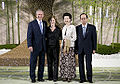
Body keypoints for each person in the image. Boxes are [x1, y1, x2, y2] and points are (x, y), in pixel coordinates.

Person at [75, 13, 97, 83]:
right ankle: (82, 78)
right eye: (82, 18)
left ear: (87, 19)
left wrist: (94, 48)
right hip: (80, 49)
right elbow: (76, 39)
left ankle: (89, 78)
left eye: (84, 18)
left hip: (89, 48)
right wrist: (76, 49)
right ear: (80, 20)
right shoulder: (77, 28)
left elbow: (94, 38)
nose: (83, 20)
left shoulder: (92, 27)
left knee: (88, 64)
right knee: (80, 64)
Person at [27, 9, 47, 83]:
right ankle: (32, 77)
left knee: (42, 63)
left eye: (41, 14)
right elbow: (29, 36)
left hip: (43, 47)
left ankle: (40, 77)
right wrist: (30, 45)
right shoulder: (31, 24)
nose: (40, 16)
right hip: (34, 47)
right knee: (33, 63)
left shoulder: (45, 23)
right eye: (38, 14)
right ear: (36, 15)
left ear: (43, 15)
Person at [59, 13, 76, 82]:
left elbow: (74, 37)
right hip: (64, 46)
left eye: (67, 18)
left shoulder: (72, 27)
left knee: (69, 62)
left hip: (70, 46)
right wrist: (62, 44)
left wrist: (68, 40)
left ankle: (69, 76)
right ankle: (64, 76)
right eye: (65, 18)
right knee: (63, 61)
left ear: (70, 19)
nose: (66, 20)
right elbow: (63, 37)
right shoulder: (64, 27)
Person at [46, 16, 62, 82]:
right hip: (48, 48)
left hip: (56, 48)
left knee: (56, 62)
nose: (52, 22)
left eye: (53, 20)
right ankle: (50, 76)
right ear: (49, 22)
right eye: (51, 20)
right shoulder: (47, 29)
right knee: (49, 62)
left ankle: (55, 77)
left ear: (55, 21)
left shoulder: (58, 29)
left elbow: (61, 38)